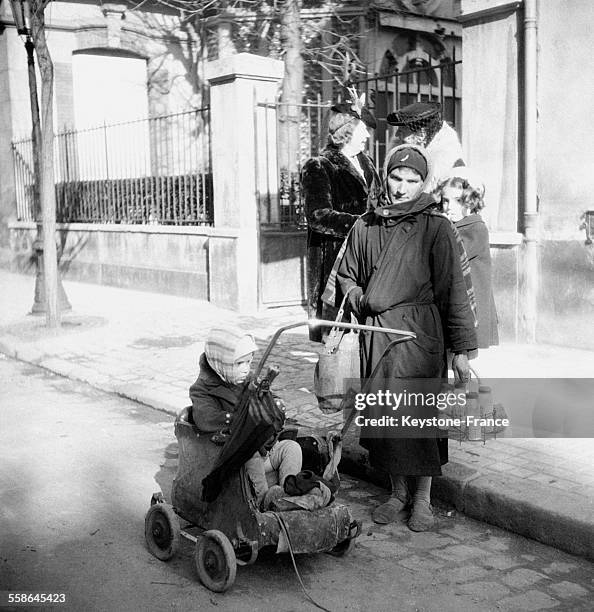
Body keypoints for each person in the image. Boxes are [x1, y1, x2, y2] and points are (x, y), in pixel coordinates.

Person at [336, 144, 477, 531]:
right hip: (378, 336)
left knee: (420, 416)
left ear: (422, 183)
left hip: (420, 335)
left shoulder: (436, 227)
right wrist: (358, 296)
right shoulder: (366, 225)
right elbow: (346, 274)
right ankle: (397, 493)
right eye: (396, 178)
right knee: (385, 419)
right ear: (386, 177)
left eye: (412, 180)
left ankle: (423, 499)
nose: (402, 187)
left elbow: (455, 291)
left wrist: (461, 350)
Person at [189, 327, 302, 509]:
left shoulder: (248, 381)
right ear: (221, 364)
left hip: (263, 449)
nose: (246, 369)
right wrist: (240, 419)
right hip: (234, 461)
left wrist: (275, 406)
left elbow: (266, 400)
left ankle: (289, 491)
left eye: (249, 362)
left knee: (291, 448)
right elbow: (205, 419)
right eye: (239, 364)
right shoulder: (202, 391)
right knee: (251, 456)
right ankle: (264, 502)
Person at [301, 96, 379, 341]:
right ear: (348, 130)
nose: (367, 134)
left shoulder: (368, 164)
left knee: (368, 330)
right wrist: (363, 224)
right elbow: (318, 216)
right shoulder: (319, 165)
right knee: (337, 337)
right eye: (362, 129)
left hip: (370, 255)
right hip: (336, 262)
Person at [436, 167, 499, 349]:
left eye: (458, 201)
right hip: (462, 307)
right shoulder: (456, 226)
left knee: (466, 359)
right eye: (445, 201)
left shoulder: (475, 228)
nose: (448, 207)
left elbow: (450, 255)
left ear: (471, 202)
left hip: (474, 309)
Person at [386, 101, 464, 190]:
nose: (396, 135)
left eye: (402, 131)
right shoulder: (403, 150)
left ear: (421, 135)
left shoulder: (454, 169)